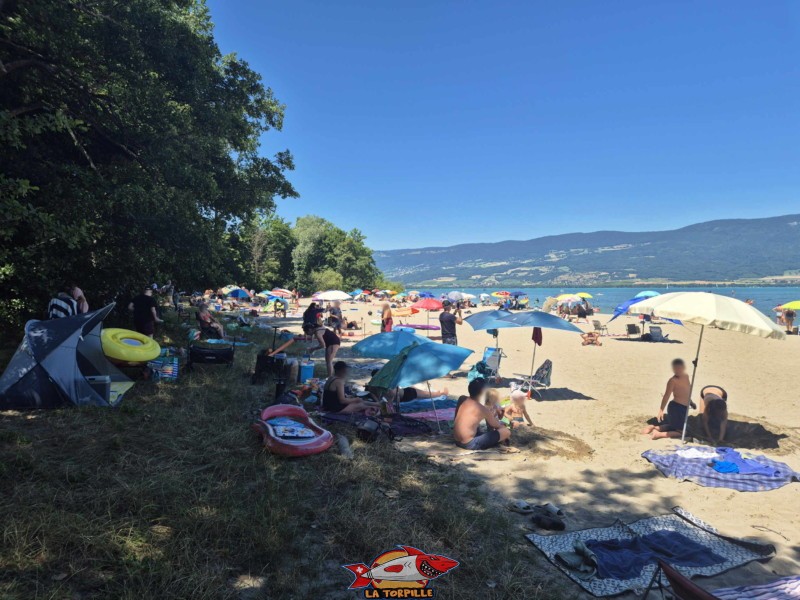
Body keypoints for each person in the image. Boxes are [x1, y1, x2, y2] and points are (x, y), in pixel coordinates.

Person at [452, 378, 511, 450]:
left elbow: (456, 417)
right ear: (483, 393)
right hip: (469, 444)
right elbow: (497, 425)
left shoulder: (462, 399)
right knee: (506, 432)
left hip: (456, 439)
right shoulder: (482, 409)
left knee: (479, 430)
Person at [642, 358, 691, 440]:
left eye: (679, 368)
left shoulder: (686, 376)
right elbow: (666, 396)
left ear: (683, 368)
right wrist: (661, 410)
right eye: (675, 369)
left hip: (683, 408)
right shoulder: (672, 381)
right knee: (683, 432)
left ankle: (654, 428)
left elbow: (686, 391)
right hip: (676, 408)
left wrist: (691, 402)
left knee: (673, 426)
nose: (677, 370)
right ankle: (658, 435)